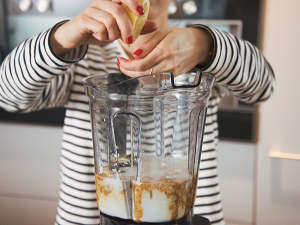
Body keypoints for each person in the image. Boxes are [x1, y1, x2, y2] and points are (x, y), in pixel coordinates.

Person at [0, 0, 275, 224]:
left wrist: (205, 46)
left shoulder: (200, 62)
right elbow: (8, 95)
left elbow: (262, 86)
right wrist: (62, 38)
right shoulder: (83, 62)